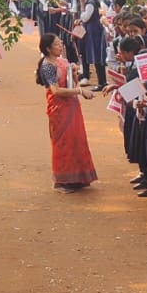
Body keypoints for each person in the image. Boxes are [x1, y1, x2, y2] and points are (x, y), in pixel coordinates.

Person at [36, 32, 97, 191]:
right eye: (57, 44)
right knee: (63, 143)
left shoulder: (62, 61)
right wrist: (80, 92)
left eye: (60, 43)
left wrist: (75, 73)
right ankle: (63, 180)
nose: (61, 46)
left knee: (76, 140)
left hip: (71, 106)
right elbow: (55, 91)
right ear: (48, 49)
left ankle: (78, 177)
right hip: (59, 109)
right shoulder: (47, 66)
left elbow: (72, 83)